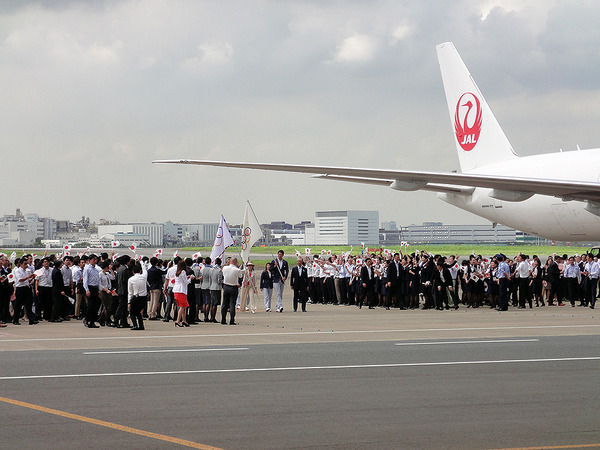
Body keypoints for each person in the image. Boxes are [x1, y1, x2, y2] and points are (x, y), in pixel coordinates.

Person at [13, 258, 37, 325]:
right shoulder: (18, 271)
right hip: (20, 289)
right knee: (18, 305)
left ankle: (31, 319)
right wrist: (28, 277)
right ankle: (16, 320)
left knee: (29, 304)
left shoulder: (26, 271)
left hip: (27, 288)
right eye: (25, 264)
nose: (26, 265)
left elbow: (27, 281)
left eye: (26, 264)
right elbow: (20, 280)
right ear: (20, 264)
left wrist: (31, 278)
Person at [221, 257, 244, 325]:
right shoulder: (236, 270)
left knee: (224, 304)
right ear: (236, 262)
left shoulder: (225, 268)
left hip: (226, 286)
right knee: (232, 304)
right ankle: (231, 320)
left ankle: (223, 319)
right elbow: (240, 276)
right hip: (233, 287)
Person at [128, 263, 148, 330]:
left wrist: (129, 301)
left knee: (132, 312)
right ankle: (141, 325)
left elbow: (130, 292)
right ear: (140, 271)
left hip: (136, 297)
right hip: (144, 297)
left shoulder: (131, 279)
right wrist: (142, 263)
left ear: (133, 272)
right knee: (138, 312)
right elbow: (145, 270)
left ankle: (135, 325)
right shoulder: (144, 277)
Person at [83, 254, 101, 328]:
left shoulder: (96, 269)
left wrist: (99, 289)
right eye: (94, 259)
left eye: (96, 259)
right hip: (90, 287)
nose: (95, 261)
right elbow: (85, 280)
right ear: (89, 260)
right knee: (90, 305)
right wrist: (87, 290)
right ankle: (87, 319)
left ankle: (92, 321)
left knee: (96, 305)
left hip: (95, 288)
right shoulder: (87, 269)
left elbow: (98, 280)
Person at [172, 260, 190, 327]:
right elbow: (185, 282)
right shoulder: (183, 272)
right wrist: (190, 279)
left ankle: (184, 320)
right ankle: (178, 320)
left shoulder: (177, 272)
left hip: (176, 290)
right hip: (181, 290)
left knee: (184, 306)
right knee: (182, 307)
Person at [208, 258, 223, 323]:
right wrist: (223, 281)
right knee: (215, 304)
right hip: (217, 287)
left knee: (212, 303)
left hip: (212, 286)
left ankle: (211, 317)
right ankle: (213, 317)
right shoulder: (219, 270)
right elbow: (219, 281)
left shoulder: (211, 269)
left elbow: (210, 279)